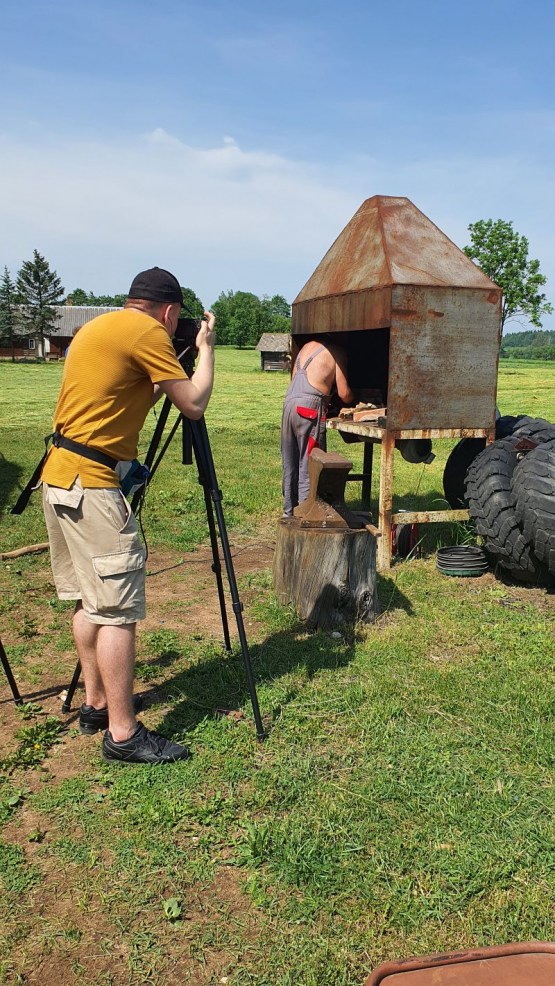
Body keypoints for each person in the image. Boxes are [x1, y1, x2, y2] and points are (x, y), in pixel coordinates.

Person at [41, 267, 216, 764]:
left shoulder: (99, 327)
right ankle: (122, 734)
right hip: (92, 484)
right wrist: (204, 350)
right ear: (169, 312)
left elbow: (129, 390)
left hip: (59, 476)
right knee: (117, 608)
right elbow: (194, 404)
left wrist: (167, 369)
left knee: (86, 597)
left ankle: (97, 703)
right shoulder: (146, 331)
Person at [281, 336, 354, 517]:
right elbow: (344, 394)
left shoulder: (305, 348)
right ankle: (306, 514)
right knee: (310, 463)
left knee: (290, 462)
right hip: (309, 408)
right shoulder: (337, 352)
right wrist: (356, 399)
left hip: (289, 405)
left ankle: (289, 512)